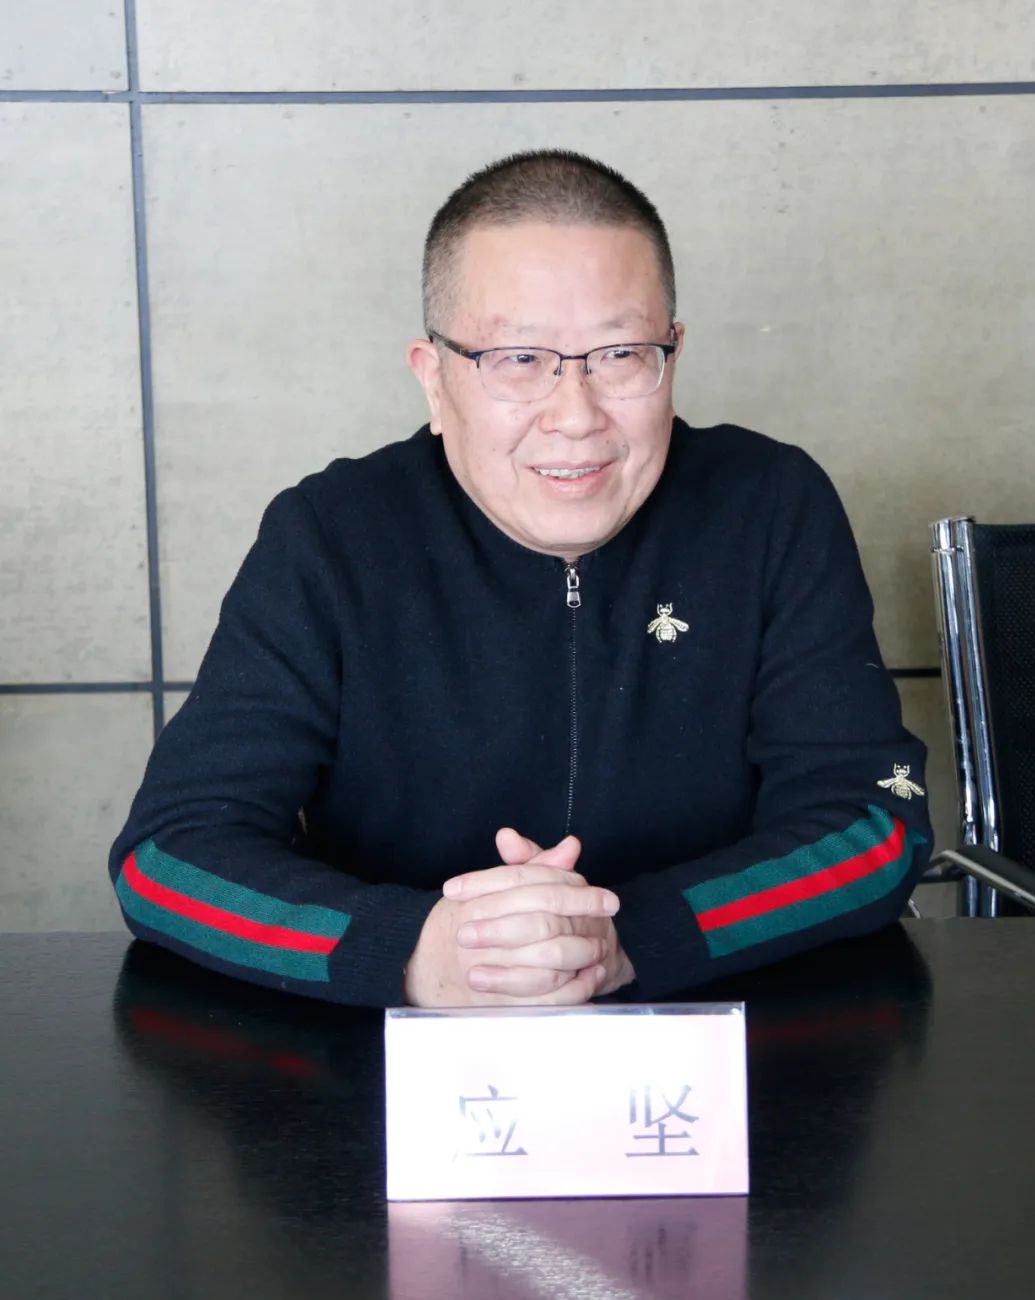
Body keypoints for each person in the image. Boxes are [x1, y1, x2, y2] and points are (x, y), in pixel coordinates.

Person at [109, 150, 931, 1009]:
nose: (575, 416)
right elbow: (169, 855)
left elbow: (873, 824)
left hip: (733, 1047)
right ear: (434, 379)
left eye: (621, 354)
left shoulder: (770, 507)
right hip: (382, 1061)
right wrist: (416, 951)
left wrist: (628, 939)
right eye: (517, 359)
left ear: (673, 355)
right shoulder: (332, 535)